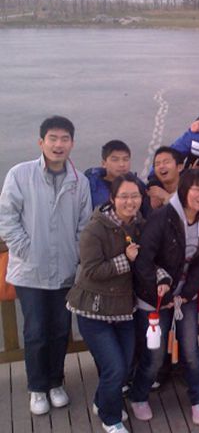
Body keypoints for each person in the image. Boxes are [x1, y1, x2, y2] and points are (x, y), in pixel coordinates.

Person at [0, 115, 92, 416]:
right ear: (41, 142)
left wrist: (74, 256)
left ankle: (56, 382)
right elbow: (6, 217)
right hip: (30, 272)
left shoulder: (80, 181)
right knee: (36, 330)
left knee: (60, 329)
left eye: (64, 139)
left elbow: (84, 226)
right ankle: (37, 387)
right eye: (53, 138)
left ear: (72, 144)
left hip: (65, 271)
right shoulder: (20, 174)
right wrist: (26, 250)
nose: (58, 144)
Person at [129, 169, 199, 425]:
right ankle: (138, 396)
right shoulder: (162, 218)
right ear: (184, 190)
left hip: (184, 297)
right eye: (197, 189)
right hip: (154, 297)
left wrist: (188, 293)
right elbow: (144, 260)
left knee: (190, 349)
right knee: (154, 354)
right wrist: (160, 290)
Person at [66, 173, 145, 433]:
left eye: (135, 196)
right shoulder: (95, 229)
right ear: (112, 198)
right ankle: (110, 419)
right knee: (114, 367)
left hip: (123, 309)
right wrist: (125, 260)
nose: (130, 202)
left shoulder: (139, 225)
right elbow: (91, 270)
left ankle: (102, 401)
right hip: (94, 310)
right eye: (124, 196)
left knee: (124, 366)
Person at [84, 139, 151, 216]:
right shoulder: (90, 185)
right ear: (103, 163)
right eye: (115, 160)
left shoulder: (138, 185)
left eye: (125, 159)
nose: (121, 164)